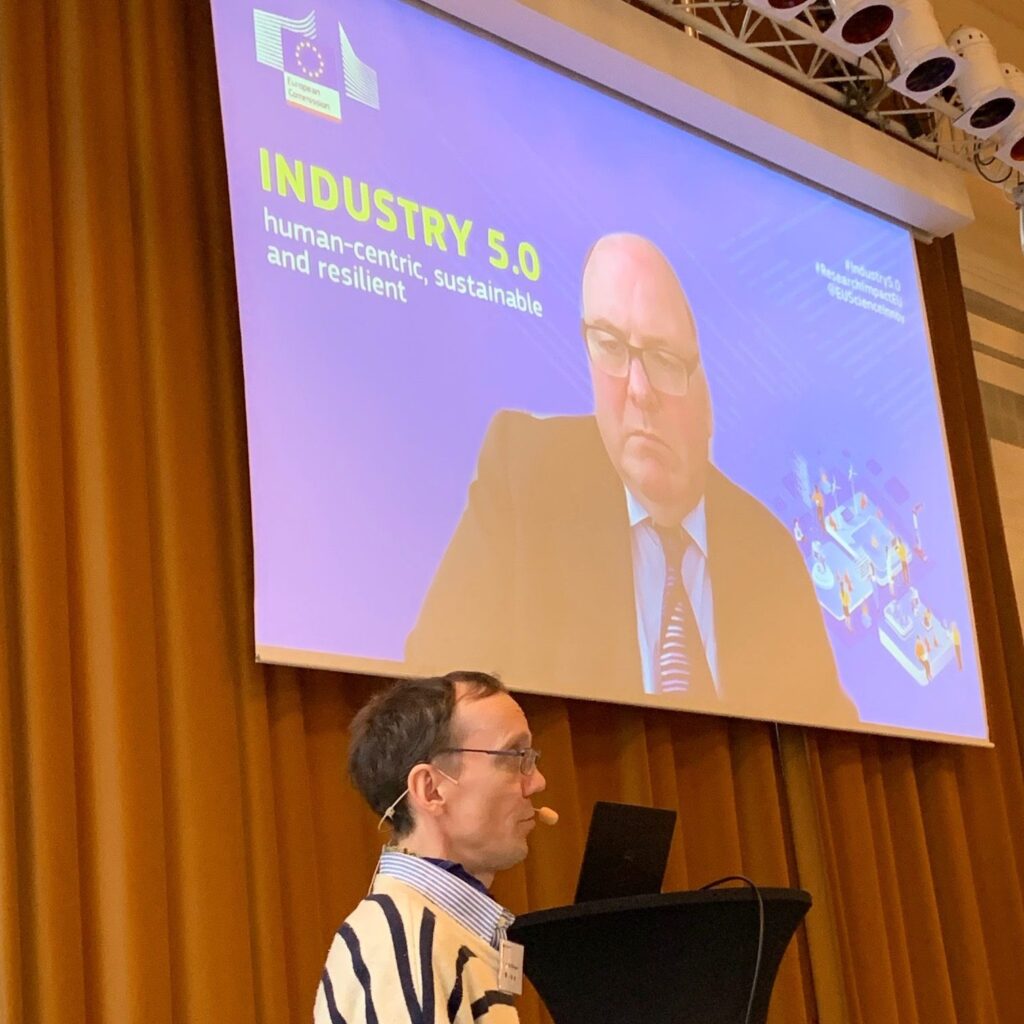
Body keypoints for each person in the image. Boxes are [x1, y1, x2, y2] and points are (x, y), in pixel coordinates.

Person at [407, 233, 857, 725]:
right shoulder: (526, 473)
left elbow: (829, 724)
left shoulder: (769, 551)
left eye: (663, 359)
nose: (639, 391)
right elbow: (433, 684)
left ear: (709, 390)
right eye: (610, 346)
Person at [314, 671, 545, 1023]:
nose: (538, 781)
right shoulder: (399, 942)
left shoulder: (437, 933)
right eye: (514, 756)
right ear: (431, 789)